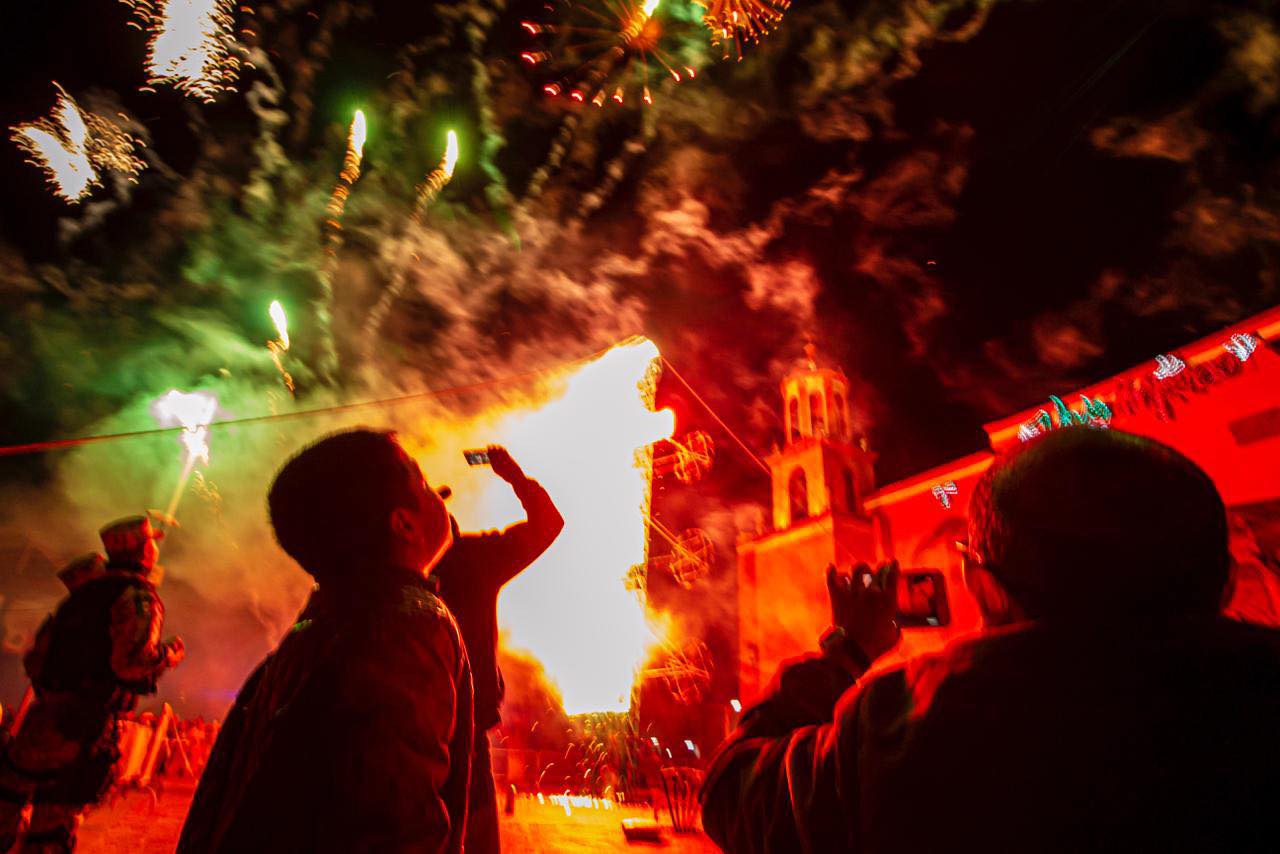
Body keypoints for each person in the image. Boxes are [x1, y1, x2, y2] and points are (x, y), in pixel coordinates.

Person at [701, 427, 1280, 853]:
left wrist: (847, 651)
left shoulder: (905, 726)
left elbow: (732, 793)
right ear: (1227, 581)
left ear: (982, 586)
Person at [178, 429, 472, 854]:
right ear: (403, 524)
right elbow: (392, 822)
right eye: (422, 483)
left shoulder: (314, 630)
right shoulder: (408, 622)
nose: (437, 494)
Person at [0, 517, 184, 852]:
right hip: (80, 728)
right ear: (144, 549)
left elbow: (36, 659)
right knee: (50, 829)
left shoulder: (77, 599)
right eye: (152, 542)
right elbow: (131, 664)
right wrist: (169, 653)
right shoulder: (137, 596)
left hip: (41, 720)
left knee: (6, 803)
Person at [432, 445, 563, 854]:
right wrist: (514, 476)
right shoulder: (470, 560)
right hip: (463, 743)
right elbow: (547, 523)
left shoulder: (366, 581)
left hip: (420, 741)